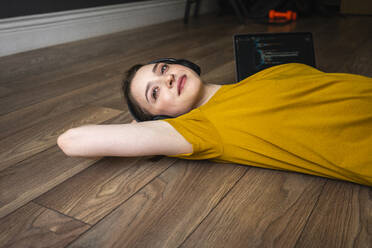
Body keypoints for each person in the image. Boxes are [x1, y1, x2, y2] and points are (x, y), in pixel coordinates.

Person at [57, 58, 372, 186]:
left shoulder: (264, 76)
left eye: (163, 67)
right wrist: (146, 127)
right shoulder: (202, 127)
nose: (166, 78)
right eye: (154, 92)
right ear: (159, 119)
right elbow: (71, 141)